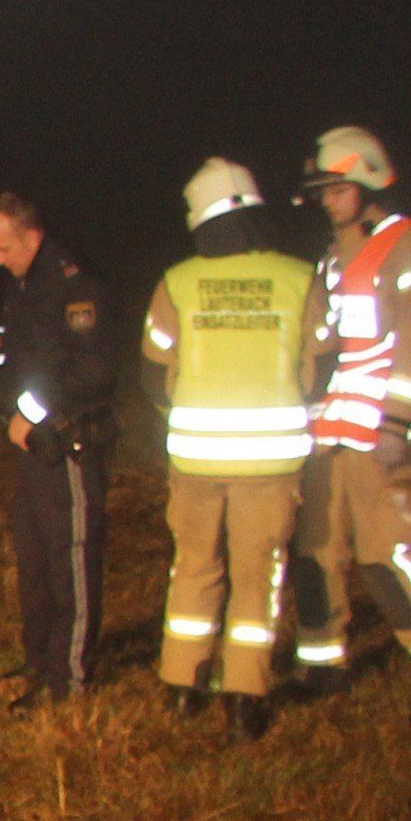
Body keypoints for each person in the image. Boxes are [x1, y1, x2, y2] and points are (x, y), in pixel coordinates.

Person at [292, 125, 411, 712]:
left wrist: (398, 424)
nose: (327, 200)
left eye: (336, 188)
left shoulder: (410, 242)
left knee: (386, 554)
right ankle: (323, 666)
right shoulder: (330, 257)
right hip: (333, 430)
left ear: (366, 180)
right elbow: (320, 348)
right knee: (315, 551)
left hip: (380, 431)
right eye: (321, 190)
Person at [142, 161, 325, 742]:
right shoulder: (301, 278)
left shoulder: (177, 282)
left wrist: (185, 412)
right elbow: (319, 367)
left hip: (195, 460)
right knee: (259, 575)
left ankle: (180, 687)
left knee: (193, 566)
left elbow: (152, 371)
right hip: (271, 464)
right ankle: (244, 698)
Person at [0, 191, 116, 707]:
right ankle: (41, 658)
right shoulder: (27, 284)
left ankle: (67, 680)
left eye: (3, 248)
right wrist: (0, 343)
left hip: (68, 442)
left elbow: (91, 369)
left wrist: (34, 412)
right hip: (33, 447)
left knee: (69, 558)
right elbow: (37, 340)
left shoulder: (76, 283)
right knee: (34, 559)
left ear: (31, 235)